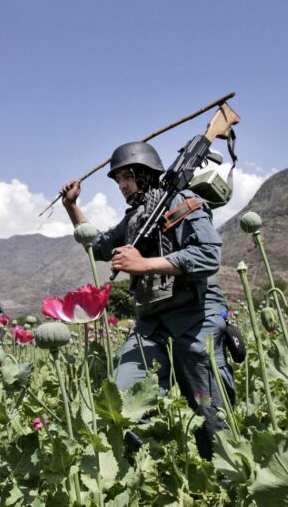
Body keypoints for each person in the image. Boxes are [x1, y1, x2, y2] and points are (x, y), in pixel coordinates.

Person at [59, 141, 234, 459]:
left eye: (127, 176)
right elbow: (98, 246)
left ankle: (222, 485)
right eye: (118, 180)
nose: (122, 185)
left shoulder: (184, 201)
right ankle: (151, 474)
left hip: (195, 317)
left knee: (211, 416)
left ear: (145, 173)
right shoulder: (135, 219)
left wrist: (144, 264)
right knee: (123, 404)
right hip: (151, 324)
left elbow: (208, 256)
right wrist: (72, 207)